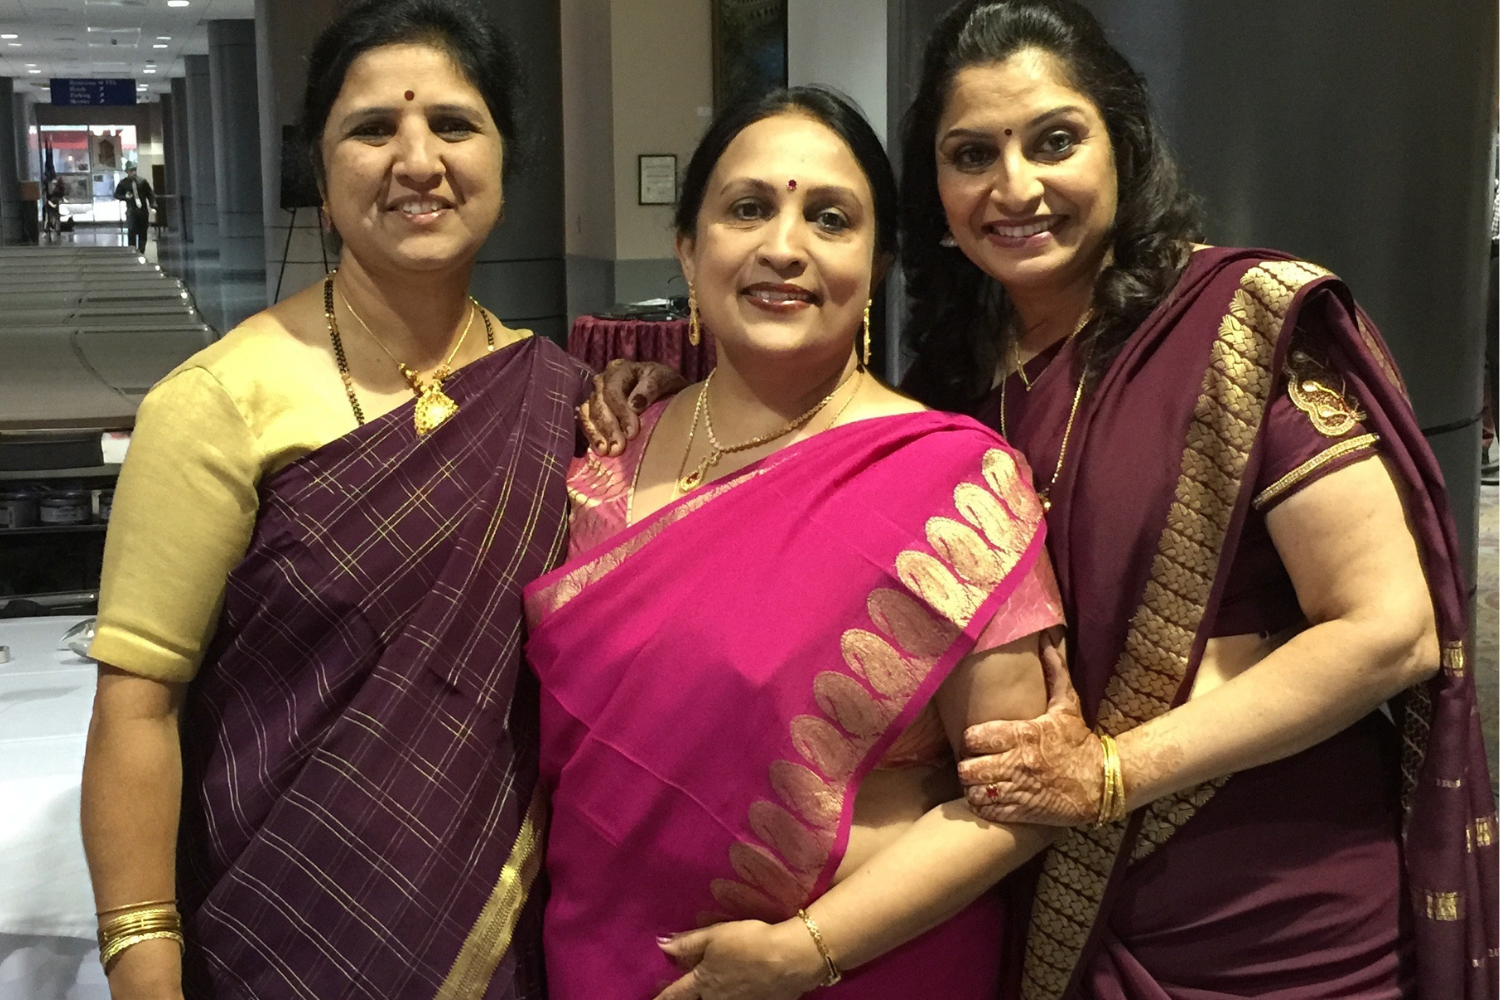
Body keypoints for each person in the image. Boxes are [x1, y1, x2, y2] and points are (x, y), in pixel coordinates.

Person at [584, 2, 1497, 996]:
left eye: (1055, 140)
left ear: (1123, 146)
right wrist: (681, 391)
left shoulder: (1239, 329)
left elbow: (1386, 629)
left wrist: (1108, 773)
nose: (1015, 187)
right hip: (1055, 910)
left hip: (1272, 909)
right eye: (972, 154)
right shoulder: (961, 386)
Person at [79, 1, 589, 997]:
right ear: (319, 169)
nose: (416, 159)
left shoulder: (561, 397)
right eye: (370, 129)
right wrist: (145, 968)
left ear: (502, 155)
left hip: (506, 942)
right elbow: (136, 710)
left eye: (452, 124)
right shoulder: (218, 402)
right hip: (281, 932)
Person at [524, 86, 1069, 1000]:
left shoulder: (952, 482)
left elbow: (1019, 802)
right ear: (689, 249)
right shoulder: (603, 456)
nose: (784, 247)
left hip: (863, 970)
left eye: (829, 217)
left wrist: (802, 951)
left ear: (878, 261)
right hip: (601, 963)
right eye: (747, 209)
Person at [114, 163, 155, 254]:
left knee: (143, 230)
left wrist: (153, 205)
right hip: (131, 209)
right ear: (127, 172)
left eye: (134, 170)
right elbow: (116, 195)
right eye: (130, 170)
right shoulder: (123, 183)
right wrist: (125, 196)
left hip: (142, 210)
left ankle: (141, 250)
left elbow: (150, 194)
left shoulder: (142, 181)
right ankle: (132, 250)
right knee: (132, 229)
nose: (132, 172)